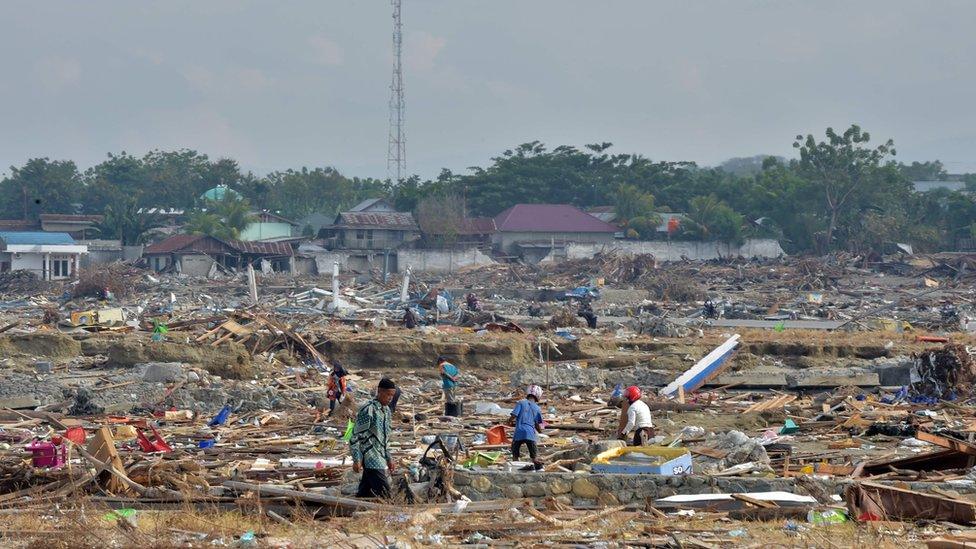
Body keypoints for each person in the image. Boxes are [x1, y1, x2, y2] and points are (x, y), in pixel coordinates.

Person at [350, 378, 398, 499]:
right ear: (380, 392)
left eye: (392, 395)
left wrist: (389, 458)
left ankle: (356, 508)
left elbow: (385, 438)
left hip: (380, 456)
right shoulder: (368, 410)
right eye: (388, 395)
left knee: (365, 492)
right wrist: (357, 459)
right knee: (385, 494)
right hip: (370, 456)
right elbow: (355, 436)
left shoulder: (386, 411)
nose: (390, 398)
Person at [508, 385, 545, 471]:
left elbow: (514, 415)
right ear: (538, 396)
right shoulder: (537, 408)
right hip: (530, 434)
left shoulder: (521, 402)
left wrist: (508, 421)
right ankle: (538, 468)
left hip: (519, 432)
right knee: (534, 456)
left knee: (515, 453)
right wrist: (540, 432)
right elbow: (537, 423)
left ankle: (516, 468)